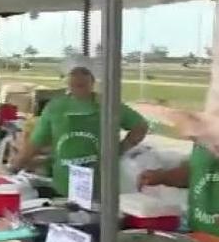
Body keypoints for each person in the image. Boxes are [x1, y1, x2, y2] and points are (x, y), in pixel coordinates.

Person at [9, 62, 149, 197]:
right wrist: (15, 166)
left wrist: (119, 150)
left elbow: (140, 126)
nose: (79, 78)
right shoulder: (55, 107)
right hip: (64, 184)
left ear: (93, 80)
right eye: (74, 74)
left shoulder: (109, 105)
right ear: (67, 80)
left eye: (84, 73)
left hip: (102, 184)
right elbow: (35, 143)